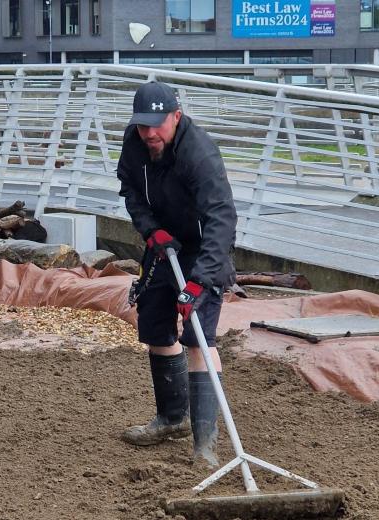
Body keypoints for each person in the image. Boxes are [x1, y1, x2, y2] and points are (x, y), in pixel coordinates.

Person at [116, 81, 237, 466]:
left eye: (158, 125)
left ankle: (205, 446)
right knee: (155, 329)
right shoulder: (135, 143)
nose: (151, 134)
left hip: (203, 251)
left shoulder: (199, 153)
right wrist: (151, 230)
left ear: (176, 117)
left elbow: (222, 218)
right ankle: (171, 419)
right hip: (162, 246)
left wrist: (200, 280)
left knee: (199, 339)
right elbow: (130, 191)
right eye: (143, 125)